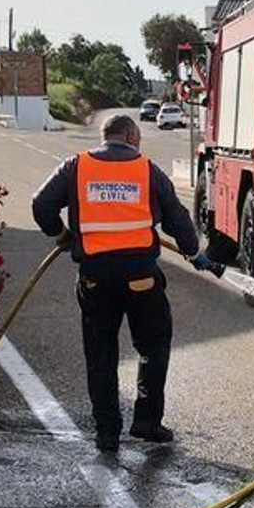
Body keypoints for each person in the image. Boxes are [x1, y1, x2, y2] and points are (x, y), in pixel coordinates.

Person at [31, 113, 213, 450]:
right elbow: (177, 217)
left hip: (95, 278)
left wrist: (63, 235)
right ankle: (147, 422)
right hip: (140, 277)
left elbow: (41, 205)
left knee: (101, 354)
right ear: (130, 137)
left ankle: (107, 432)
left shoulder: (75, 167)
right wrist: (193, 252)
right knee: (153, 347)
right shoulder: (147, 169)